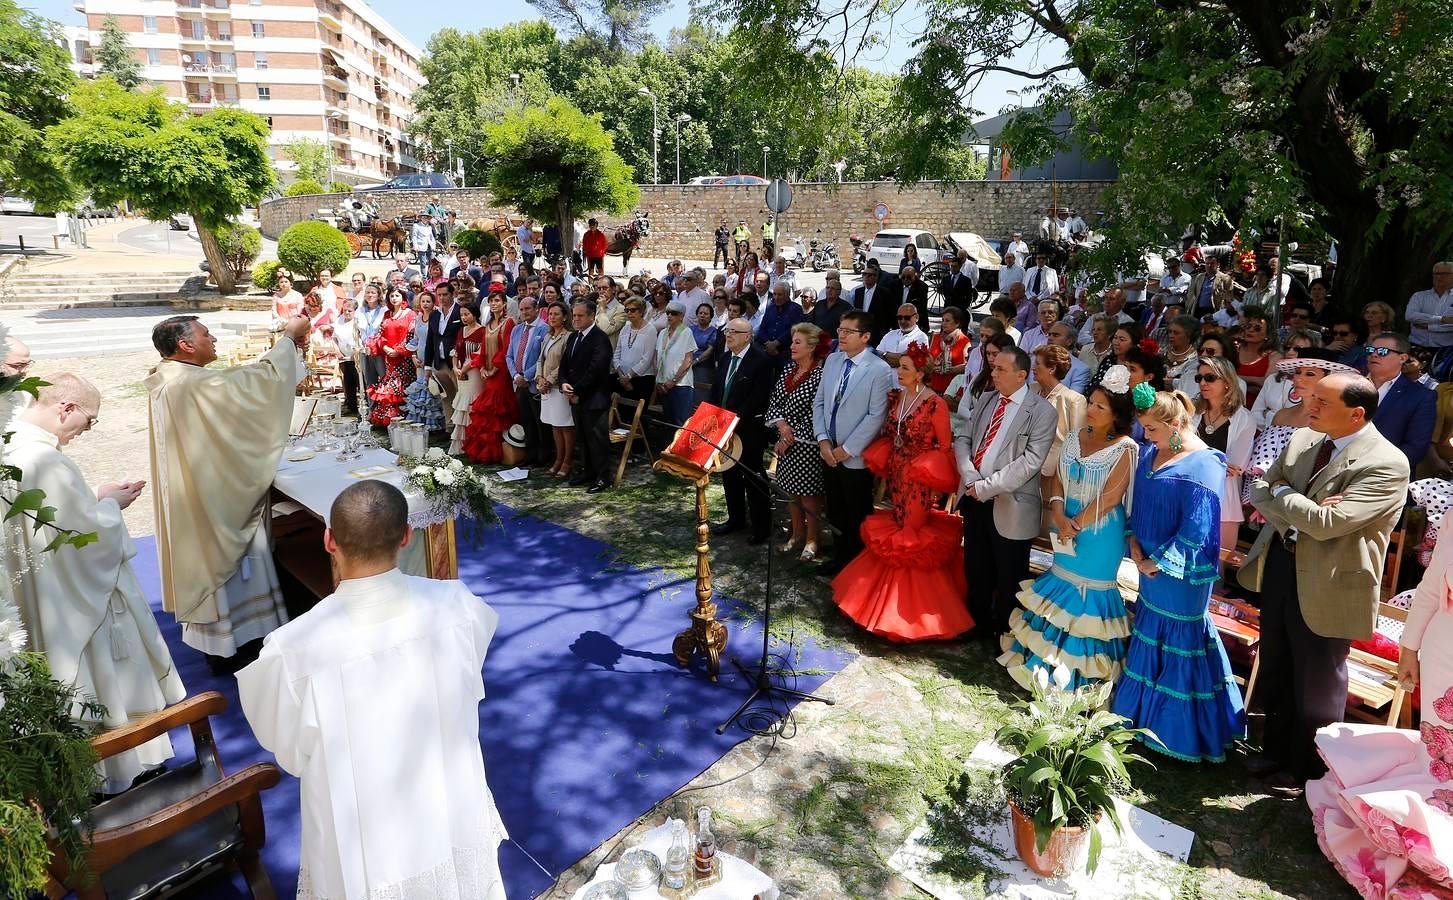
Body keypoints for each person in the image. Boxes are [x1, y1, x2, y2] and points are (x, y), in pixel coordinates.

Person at [237, 481, 506, 899]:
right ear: (406, 536)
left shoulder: (293, 648)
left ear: (329, 542)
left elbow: (287, 749)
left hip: (360, 828)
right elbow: (469, 682)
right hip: (447, 793)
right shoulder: (457, 604)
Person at [4, 374, 185, 794]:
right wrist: (110, 505)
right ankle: (128, 768)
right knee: (105, 683)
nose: (86, 431)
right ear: (65, 407)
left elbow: (55, 525)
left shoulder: (10, 448)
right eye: (89, 420)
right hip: (81, 602)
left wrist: (96, 497)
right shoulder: (45, 461)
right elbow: (85, 542)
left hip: (41, 593)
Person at [1240, 373, 1410, 788]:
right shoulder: (1303, 440)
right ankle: (1274, 751)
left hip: (1333, 582)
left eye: (1322, 402)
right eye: (1312, 397)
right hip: (1282, 565)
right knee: (1277, 664)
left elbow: (1329, 523)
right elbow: (1259, 488)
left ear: (1356, 415)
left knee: (1318, 681)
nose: (1309, 405)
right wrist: (1297, 503)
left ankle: (1311, 770)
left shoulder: (1386, 462)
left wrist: (1286, 496)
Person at [144, 314, 308, 664]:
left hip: (198, 489)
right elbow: (251, 385)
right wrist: (289, 339)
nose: (214, 338)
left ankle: (223, 642)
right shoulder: (186, 384)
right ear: (186, 345)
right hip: (214, 497)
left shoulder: (170, 378)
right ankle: (240, 645)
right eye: (206, 334)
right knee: (230, 561)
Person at [1305, 517, 1453, 899]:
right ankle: (1416, 853)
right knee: (1437, 761)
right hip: (1445, 657)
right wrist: (1409, 646)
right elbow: (1432, 585)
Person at [1114, 386, 1246, 762]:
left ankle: (1178, 732)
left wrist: (1159, 561)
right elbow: (1138, 503)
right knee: (1149, 630)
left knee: (1180, 638)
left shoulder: (1206, 462)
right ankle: (1138, 718)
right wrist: (1135, 543)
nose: (1146, 437)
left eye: (1152, 429)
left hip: (1181, 572)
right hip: (1147, 564)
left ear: (1176, 423)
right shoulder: (1151, 453)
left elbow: (1198, 527)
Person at [1000, 372, 1138, 690]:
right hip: (1066, 523)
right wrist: (1059, 512)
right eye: (1091, 402)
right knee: (1059, 581)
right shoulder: (1076, 435)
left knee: (1087, 594)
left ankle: (1080, 677)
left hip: (1100, 535)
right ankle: (1040, 662)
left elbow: (1112, 497)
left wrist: (1074, 525)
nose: (1091, 409)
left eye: (1101, 407)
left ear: (1116, 414)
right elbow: (1059, 478)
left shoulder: (1126, 448)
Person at [832, 342, 971, 641]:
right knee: (896, 528)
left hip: (918, 482)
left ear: (920, 374)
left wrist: (925, 471)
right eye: (899, 366)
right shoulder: (898, 397)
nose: (899, 371)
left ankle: (907, 613)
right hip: (896, 473)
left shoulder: (935, 404)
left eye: (905, 368)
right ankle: (876, 604)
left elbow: (944, 446)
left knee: (911, 535)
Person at [954, 347, 1058, 639]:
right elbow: (963, 438)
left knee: (1010, 573)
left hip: (1011, 504)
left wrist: (986, 487)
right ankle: (975, 624)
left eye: (1000, 369)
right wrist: (971, 477)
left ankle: (1005, 633)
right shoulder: (987, 399)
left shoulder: (1042, 411)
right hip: (975, 498)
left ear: (1021, 375)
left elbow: (1030, 462)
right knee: (976, 566)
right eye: (993, 367)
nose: (994, 373)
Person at [812, 311, 895, 575]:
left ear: (866, 337)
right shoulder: (833, 360)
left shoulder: (878, 369)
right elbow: (821, 402)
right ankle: (839, 557)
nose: (841, 335)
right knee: (834, 508)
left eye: (848, 331)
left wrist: (846, 450)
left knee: (856, 511)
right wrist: (823, 440)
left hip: (855, 455)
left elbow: (876, 415)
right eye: (840, 329)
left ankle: (857, 566)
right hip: (828, 450)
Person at [1240, 349, 1355, 508]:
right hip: (1269, 499)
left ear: (1328, 379)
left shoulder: (1335, 420)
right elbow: (1263, 463)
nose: (1299, 378)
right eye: (1298, 372)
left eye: (1310, 374)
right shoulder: (1282, 415)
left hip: (1312, 502)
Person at [767, 323, 829, 561]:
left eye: (797, 342)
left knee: (810, 497)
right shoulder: (788, 370)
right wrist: (783, 429)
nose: (792, 346)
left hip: (809, 446)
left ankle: (813, 541)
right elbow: (775, 403)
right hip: (787, 442)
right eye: (792, 341)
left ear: (812, 347)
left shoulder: (821, 376)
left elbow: (818, 413)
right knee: (791, 493)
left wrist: (792, 437)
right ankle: (796, 535)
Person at [708, 320, 775, 543]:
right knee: (730, 474)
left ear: (748, 336)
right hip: (725, 427)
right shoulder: (726, 358)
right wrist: (713, 415)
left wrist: (734, 419)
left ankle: (762, 527)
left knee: (753, 476)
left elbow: (758, 397)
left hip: (748, 429)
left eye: (734, 332)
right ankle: (736, 519)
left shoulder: (761, 360)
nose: (729, 335)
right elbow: (717, 389)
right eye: (727, 331)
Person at [1191, 355, 1256, 558]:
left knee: (1217, 562)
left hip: (1224, 498)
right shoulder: (1192, 411)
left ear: (1227, 382)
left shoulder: (1244, 418)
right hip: (1188, 490)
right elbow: (1177, 451)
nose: (1202, 383)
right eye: (1199, 378)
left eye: (1210, 378)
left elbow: (1234, 467)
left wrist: (1194, 457)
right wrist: (1214, 461)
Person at [560, 300, 614, 492]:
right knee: (582, 437)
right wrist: (564, 383)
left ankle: (603, 477)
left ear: (591, 316)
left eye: (580, 316)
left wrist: (577, 391)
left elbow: (596, 370)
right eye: (574, 315)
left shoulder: (600, 338)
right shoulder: (574, 336)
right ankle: (587, 471)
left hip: (594, 398)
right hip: (576, 396)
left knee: (597, 439)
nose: (575, 319)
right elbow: (565, 364)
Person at [1365, 331, 1438, 470]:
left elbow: (1416, 447)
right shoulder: (1348, 385)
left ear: (1403, 358)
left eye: (1383, 351)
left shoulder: (1422, 396)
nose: (1373, 355)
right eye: (1370, 350)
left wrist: (1375, 470)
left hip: (1385, 475)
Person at [463, 291, 517, 465]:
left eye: (497, 301)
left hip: (501, 373)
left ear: (503, 303)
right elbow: (484, 348)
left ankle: (503, 450)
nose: (494, 304)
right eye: (491, 301)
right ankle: (487, 450)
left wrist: (494, 368)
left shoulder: (509, 323)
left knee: (498, 408)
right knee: (487, 410)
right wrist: (482, 367)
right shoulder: (488, 324)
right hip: (488, 373)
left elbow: (507, 348)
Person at [1032, 345, 1086, 488]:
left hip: (1053, 474)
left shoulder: (1073, 400)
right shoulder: (1030, 391)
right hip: (1023, 468)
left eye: (1038, 364)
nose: (1033, 368)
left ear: (1052, 369)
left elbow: (1076, 443)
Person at [537, 301, 575, 478]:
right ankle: (558, 459)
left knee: (565, 425)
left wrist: (550, 380)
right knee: (554, 425)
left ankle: (567, 461)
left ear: (565, 316)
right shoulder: (548, 336)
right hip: (546, 387)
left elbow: (564, 364)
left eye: (556, 314)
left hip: (559, 386)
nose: (552, 317)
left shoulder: (569, 337)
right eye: (550, 314)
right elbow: (540, 360)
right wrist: (539, 378)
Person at [368, 288, 416, 426]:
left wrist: (399, 350)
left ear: (403, 298)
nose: (394, 298)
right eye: (391, 296)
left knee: (403, 385)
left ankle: (404, 416)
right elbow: (380, 334)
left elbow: (411, 335)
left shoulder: (410, 314)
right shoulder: (387, 314)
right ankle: (388, 417)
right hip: (389, 357)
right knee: (389, 385)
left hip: (404, 358)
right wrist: (385, 347)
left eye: (397, 295)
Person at [1403, 260, 1453, 381]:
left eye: (1444, 274)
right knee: (1409, 380)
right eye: (1436, 274)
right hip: (1416, 348)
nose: (1438, 277)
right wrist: (1442, 319)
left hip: (1445, 351)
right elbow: (1410, 316)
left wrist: (1429, 326)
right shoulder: (1419, 296)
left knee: (1440, 384)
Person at [423, 281, 464, 426]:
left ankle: (463, 429)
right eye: (439, 295)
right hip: (439, 363)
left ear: (453, 294)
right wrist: (428, 366)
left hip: (456, 364)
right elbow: (430, 340)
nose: (442, 298)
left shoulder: (461, 311)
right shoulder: (434, 314)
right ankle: (450, 427)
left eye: (445, 294)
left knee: (462, 396)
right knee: (446, 396)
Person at [449, 302, 485, 456]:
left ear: (475, 314)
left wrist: (463, 369)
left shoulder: (482, 331)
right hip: (460, 372)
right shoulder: (461, 330)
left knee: (472, 404)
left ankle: (474, 443)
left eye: (467, 314)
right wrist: (456, 368)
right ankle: (461, 446)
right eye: (462, 315)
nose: (463, 317)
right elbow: (456, 351)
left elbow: (479, 354)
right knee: (462, 405)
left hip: (474, 371)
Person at [655, 301, 697, 426]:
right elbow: (658, 358)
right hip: (664, 385)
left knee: (681, 423)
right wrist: (658, 380)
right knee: (668, 421)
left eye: (674, 313)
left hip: (681, 385)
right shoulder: (662, 333)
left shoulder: (686, 332)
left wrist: (673, 381)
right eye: (668, 313)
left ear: (681, 316)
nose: (669, 316)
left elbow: (688, 360)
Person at [612, 296, 657, 403]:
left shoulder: (650, 330)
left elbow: (647, 359)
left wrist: (629, 377)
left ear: (641, 311)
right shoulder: (625, 328)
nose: (629, 313)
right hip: (622, 378)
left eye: (633, 310)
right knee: (620, 414)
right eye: (626, 310)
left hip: (642, 379)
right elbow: (617, 353)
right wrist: (621, 376)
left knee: (636, 416)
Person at [1234, 308, 1281, 402]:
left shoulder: (1274, 356)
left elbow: (1267, 383)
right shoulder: (1234, 349)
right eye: (1248, 326)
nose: (1251, 330)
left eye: (1257, 328)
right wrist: (1253, 385)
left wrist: (1234, 378)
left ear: (1267, 335)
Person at [926, 306, 971, 394]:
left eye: (947, 321)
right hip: (932, 386)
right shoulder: (935, 337)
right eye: (942, 320)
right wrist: (932, 367)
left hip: (951, 391)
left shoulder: (964, 341)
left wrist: (952, 370)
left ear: (957, 323)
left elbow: (968, 366)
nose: (943, 323)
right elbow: (927, 359)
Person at [1047, 322, 1092, 394]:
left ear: (1069, 341)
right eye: (1049, 335)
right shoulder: (1035, 360)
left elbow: (1072, 401)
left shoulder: (1080, 369)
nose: (1050, 338)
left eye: (1056, 335)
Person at [689, 302, 719, 407]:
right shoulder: (690, 330)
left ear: (710, 317)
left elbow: (710, 351)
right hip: (687, 364)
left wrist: (695, 361)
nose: (702, 315)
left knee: (700, 397)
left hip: (704, 367)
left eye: (706, 314)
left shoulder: (713, 331)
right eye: (700, 313)